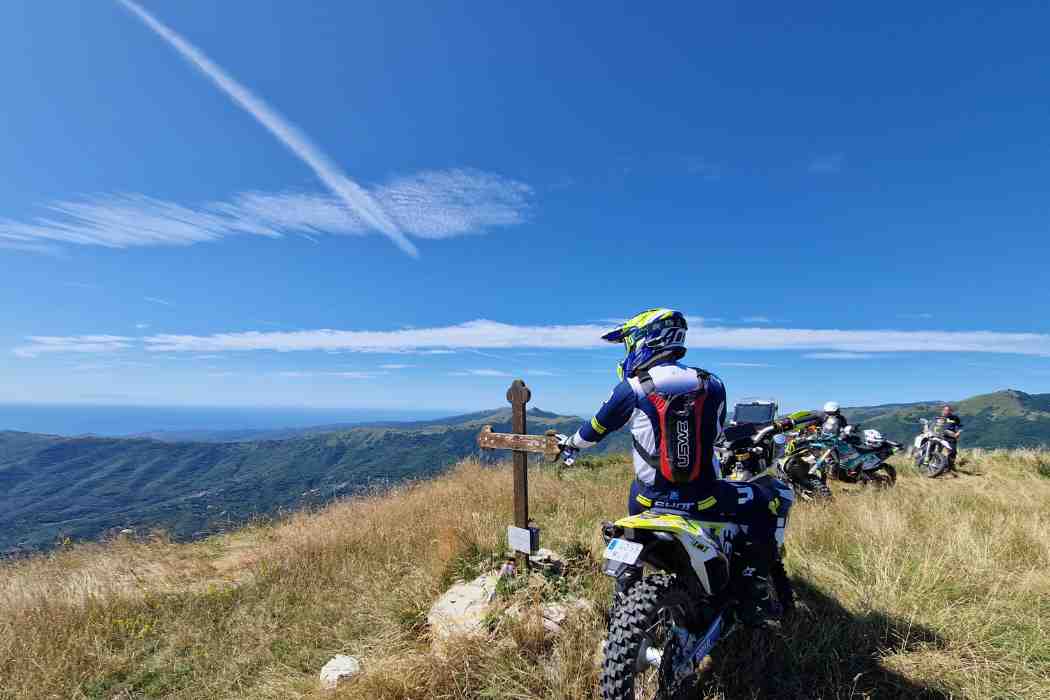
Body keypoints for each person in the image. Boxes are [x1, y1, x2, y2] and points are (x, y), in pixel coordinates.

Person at [556, 308, 790, 625]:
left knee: (635, 498)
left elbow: (591, 433)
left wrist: (568, 444)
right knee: (767, 499)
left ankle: (623, 594)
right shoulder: (713, 384)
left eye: (630, 343)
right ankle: (752, 589)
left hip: (647, 501)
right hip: (704, 499)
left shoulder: (631, 388)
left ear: (646, 340)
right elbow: (718, 435)